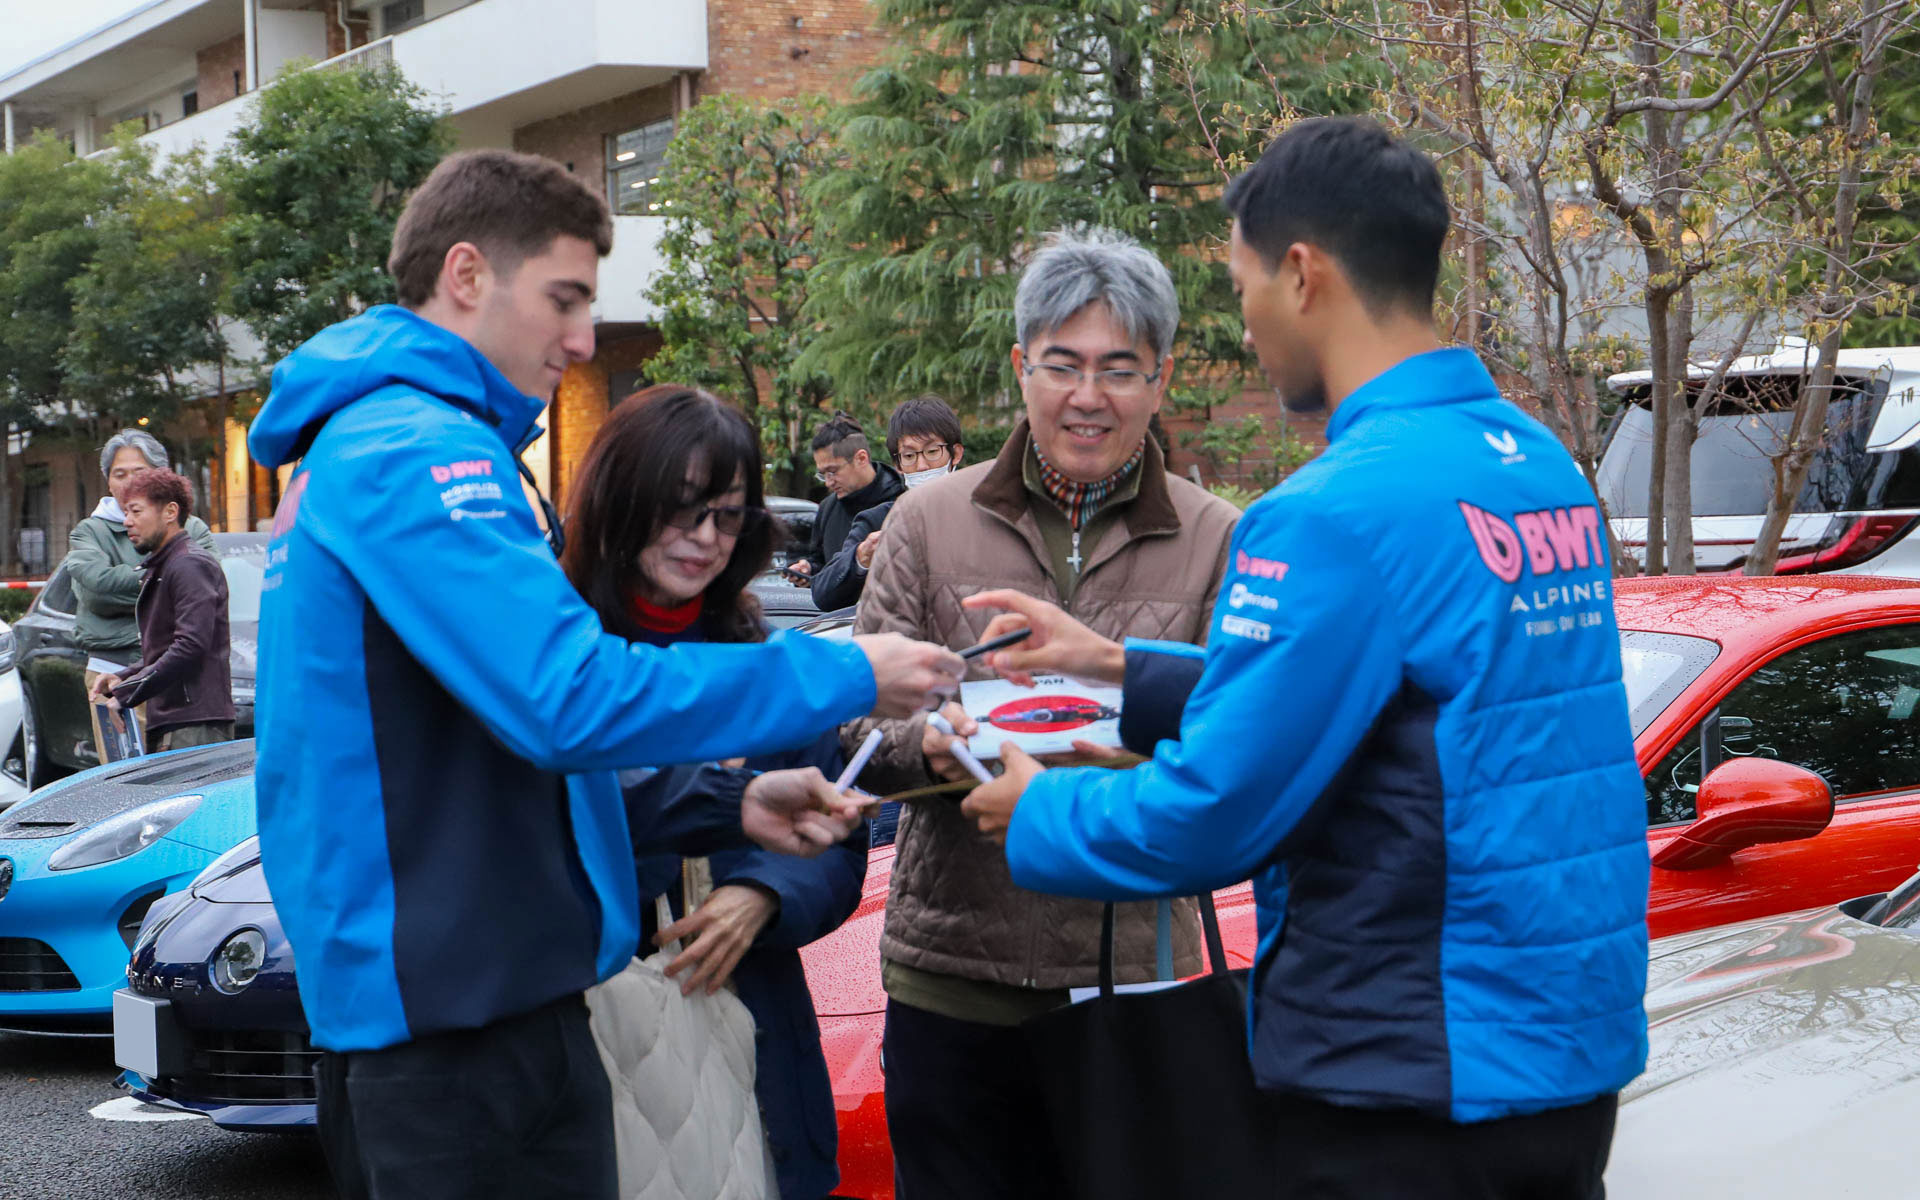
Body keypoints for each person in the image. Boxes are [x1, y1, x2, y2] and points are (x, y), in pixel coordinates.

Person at [244, 149, 963, 1200]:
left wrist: (733, 801)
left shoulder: (382, 445)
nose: (583, 338)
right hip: (460, 1029)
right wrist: (847, 672)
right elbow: (567, 700)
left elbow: (505, 737)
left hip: (467, 1007)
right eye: (566, 298)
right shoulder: (416, 450)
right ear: (467, 275)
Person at [961, 118, 1648, 1199]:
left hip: (1406, 1079)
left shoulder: (1332, 511)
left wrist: (1038, 813)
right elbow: (1405, 711)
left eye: (1242, 290)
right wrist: (1119, 668)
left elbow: (1218, 810)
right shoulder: (1538, 463)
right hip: (1560, 1059)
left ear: (1301, 273)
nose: (1246, 328)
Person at [846, 227, 1242, 1199]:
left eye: (1119, 369)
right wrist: (933, 744)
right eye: (1062, 365)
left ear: (1161, 378)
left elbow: (1238, 744)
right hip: (951, 977)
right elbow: (853, 729)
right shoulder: (925, 521)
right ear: (1021, 368)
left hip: (1135, 978)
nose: (1087, 395)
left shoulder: (1218, 538)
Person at [561, 384, 869, 1200]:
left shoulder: (762, 657)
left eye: (727, 516)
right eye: (681, 509)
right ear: (620, 501)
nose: (703, 538)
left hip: (756, 1029)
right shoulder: (559, 658)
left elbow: (835, 843)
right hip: (588, 1025)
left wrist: (761, 893)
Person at [65, 429, 217, 760]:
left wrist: (134, 581)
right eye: (119, 474)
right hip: (112, 672)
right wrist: (173, 582)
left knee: (184, 778)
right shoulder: (89, 531)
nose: (129, 482)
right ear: (108, 482)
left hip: (180, 674)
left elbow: (207, 586)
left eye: (140, 472)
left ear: (161, 476)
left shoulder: (193, 528)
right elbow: (96, 588)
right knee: (125, 778)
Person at [85, 468, 233, 753]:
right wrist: (124, 678)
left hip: (194, 725)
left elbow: (190, 645)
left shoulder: (188, 564)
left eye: (136, 511)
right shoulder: (167, 565)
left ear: (170, 512)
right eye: (125, 513)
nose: (127, 521)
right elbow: (166, 650)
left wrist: (127, 692)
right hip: (179, 723)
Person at [809, 395, 965, 612]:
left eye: (932, 452)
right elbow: (823, 594)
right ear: (898, 464)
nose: (921, 465)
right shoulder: (879, 520)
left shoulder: (984, 513)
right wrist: (861, 557)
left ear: (955, 454)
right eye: (909, 456)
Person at [788, 413, 903, 586]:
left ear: (861, 458)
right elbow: (822, 562)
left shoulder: (902, 500)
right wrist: (809, 570)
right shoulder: (827, 508)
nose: (828, 482)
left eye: (832, 471)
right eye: (823, 474)